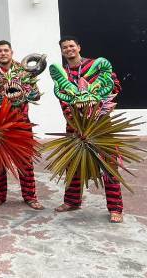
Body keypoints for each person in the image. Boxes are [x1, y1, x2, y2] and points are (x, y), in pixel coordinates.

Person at [53, 36, 124, 223]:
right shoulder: (62, 73)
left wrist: (98, 98)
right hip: (75, 127)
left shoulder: (96, 66)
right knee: (72, 164)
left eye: (71, 46)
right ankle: (72, 201)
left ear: (79, 47)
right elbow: (62, 99)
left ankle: (115, 208)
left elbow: (115, 85)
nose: (69, 49)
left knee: (109, 165)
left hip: (100, 125)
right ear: (62, 51)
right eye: (65, 47)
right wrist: (73, 118)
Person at [0, 40, 43, 210]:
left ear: (12, 52)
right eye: (0, 51)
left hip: (21, 122)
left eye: (6, 50)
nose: (3, 53)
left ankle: (30, 196)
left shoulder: (23, 71)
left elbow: (36, 94)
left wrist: (22, 94)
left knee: (25, 161)